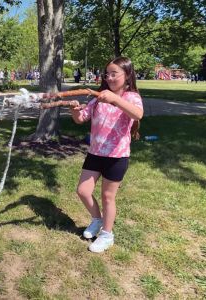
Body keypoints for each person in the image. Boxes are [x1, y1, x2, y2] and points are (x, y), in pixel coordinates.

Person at [70, 56, 143, 253]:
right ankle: (97, 219)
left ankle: (107, 234)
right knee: (83, 191)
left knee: (107, 196)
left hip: (117, 156)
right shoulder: (97, 98)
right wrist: (75, 111)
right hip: (95, 153)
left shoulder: (131, 97)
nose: (109, 78)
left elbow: (137, 114)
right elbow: (81, 119)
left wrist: (116, 99)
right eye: (107, 74)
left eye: (114, 74)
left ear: (127, 75)